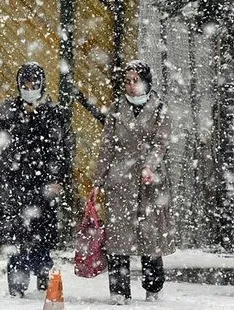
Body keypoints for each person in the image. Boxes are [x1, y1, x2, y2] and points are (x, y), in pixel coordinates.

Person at [91, 60, 175, 305]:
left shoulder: (160, 109)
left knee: (151, 236)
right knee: (119, 237)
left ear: (146, 82)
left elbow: (161, 142)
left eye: (135, 80)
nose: (130, 85)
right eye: (126, 81)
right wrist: (98, 181)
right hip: (121, 179)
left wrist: (150, 165)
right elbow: (107, 147)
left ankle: (153, 286)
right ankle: (119, 290)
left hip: (151, 181)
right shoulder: (117, 110)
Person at [0, 62, 74, 298]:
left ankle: (44, 282)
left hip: (45, 186)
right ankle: (17, 285)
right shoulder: (7, 112)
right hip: (15, 184)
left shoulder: (54, 113)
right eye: (25, 85)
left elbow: (64, 149)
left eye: (34, 84)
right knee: (17, 236)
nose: (29, 89)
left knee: (42, 235)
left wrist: (58, 180)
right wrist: (2, 179)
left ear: (42, 85)